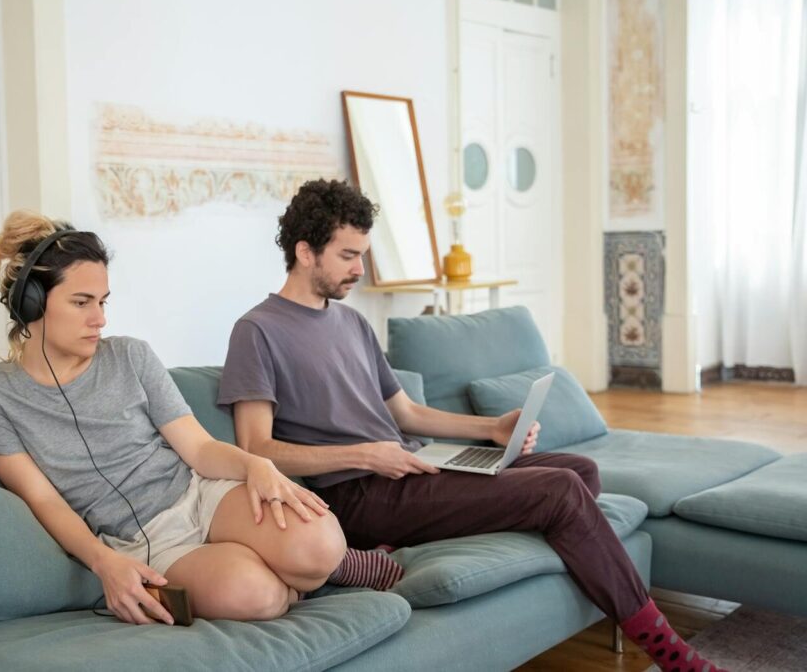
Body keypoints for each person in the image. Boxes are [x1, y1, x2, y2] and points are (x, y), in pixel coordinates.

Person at [218, 179, 725, 670]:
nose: (360, 269)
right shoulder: (258, 331)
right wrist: (364, 454)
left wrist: (491, 429)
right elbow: (257, 446)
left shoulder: (350, 322)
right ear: (306, 252)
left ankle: (409, 541)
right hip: (359, 493)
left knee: (581, 471)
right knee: (562, 492)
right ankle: (671, 653)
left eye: (363, 254)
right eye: (348, 256)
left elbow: (408, 414)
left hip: (410, 468)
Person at [0, 210, 385, 626]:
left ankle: (323, 566)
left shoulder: (130, 355)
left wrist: (255, 464)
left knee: (321, 544)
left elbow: (198, 448)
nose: (100, 319)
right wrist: (104, 563)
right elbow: (44, 500)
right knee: (257, 595)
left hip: (200, 494)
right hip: (142, 543)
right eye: (82, 302)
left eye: (103, 302)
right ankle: (307, 576)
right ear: (31, 303)